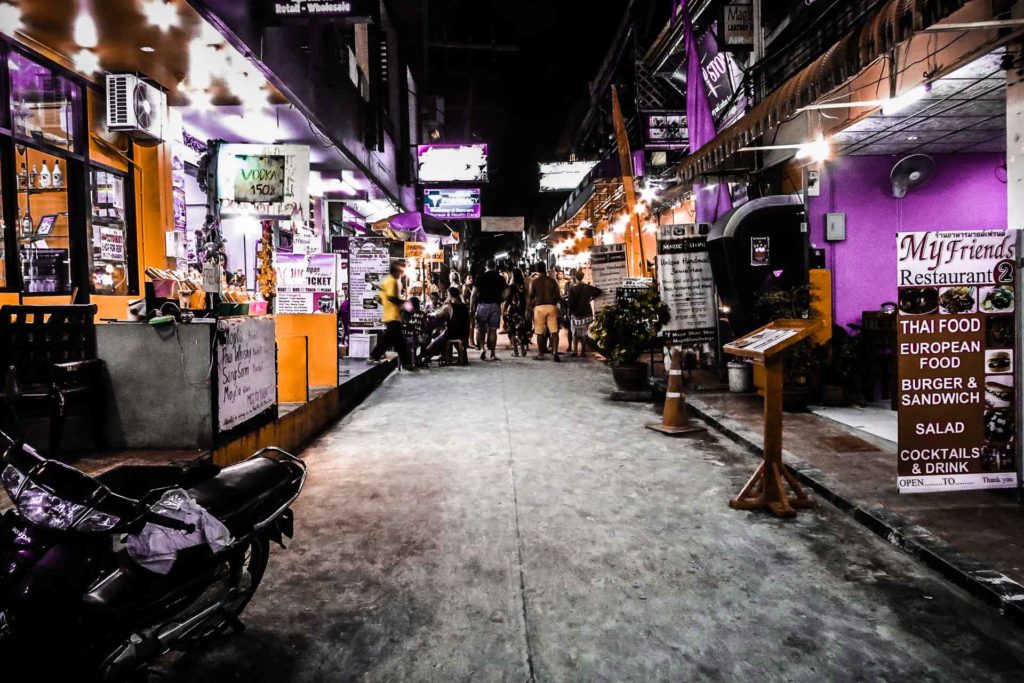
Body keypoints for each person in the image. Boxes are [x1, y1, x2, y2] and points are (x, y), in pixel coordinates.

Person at [367, 261, 414, 369]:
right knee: (399, 342)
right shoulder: (392, 281)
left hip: (390, 315)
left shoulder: (386, 280)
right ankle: (406, 363)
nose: (402, 273)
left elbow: (380, 298)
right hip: (393, 316)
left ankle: (374, 356)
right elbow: (391, 297)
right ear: (398, 270)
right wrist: (404, 303)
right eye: (402, 270)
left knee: (392, 340)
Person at [470, 259, 508, 361]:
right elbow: (507, 291)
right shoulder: (499, 278)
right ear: (495, 266)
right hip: (495, 305)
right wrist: (501, 299)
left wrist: (471, 308)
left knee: (480, 328)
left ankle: (482, 347)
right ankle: (492, 353)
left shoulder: (480, 278)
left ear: (486, 266)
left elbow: (473, 294)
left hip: (482, 305)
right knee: (493, 330)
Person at [423, 287, 471, 363]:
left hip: (453, 333)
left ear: (450, 294)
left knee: (437, 340)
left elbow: (437, 315)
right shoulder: (464, 306)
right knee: (441, 334)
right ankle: (455, 356)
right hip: (464, 332)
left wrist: (429, 313)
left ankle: (426, 355)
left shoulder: (449, 306)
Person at [527, 262, 562, 362]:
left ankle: (541, 354)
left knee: (539, 333)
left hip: (539, 308)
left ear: (537, 269)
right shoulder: (552, 281)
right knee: (554, 331)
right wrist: (554, 304)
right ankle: (555, 352)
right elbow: (558, 296)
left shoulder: (534, 281)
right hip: (551, 307)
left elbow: (530, 296)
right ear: (545, 268)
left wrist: (528, 309)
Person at [566, 271, 603, 357]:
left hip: (576, 314)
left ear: (575, 277)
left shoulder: (572, 288)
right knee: (584, 333)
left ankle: (575, 351)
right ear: (583, 277)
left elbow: (570, 303)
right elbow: (599, 291)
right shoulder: (587, 287)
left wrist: (569, 312)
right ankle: (583, 352)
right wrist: (591, 299)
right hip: (586, 313)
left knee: (574, 333)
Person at [504, 268, 531, 357]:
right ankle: (523, 350)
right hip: (522, 310)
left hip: (512, 311)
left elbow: (507, 299)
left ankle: (516, 351)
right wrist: (527, 310)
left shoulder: (511, 286)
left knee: (512, 331)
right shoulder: (524, 286)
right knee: (521, 331)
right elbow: (527, 299)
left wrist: (504, 309)